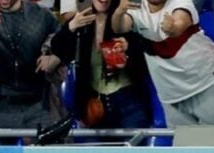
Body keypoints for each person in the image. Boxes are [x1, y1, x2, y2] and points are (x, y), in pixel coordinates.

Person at [112, 0, 214, 127]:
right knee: (185, 140)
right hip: (170, 94)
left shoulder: (180, 3)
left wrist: (172, 27)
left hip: (205, 85)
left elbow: (179, 23)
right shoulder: (137, 7)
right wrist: (119, 11)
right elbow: (119, 27)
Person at [52, 0, 153, 130]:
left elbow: (147, 53)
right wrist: (71, 26)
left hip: (128, 102)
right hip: (94, 105)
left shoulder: (125, 18)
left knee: (135, 142)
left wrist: (128, 48)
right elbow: (58, 49)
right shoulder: (83, 20)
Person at [0, 0, 62, 139]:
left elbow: (63, 38)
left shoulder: (41, 14)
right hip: (2, 105)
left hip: (39, 105)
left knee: (52, 149)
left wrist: (54, 55)